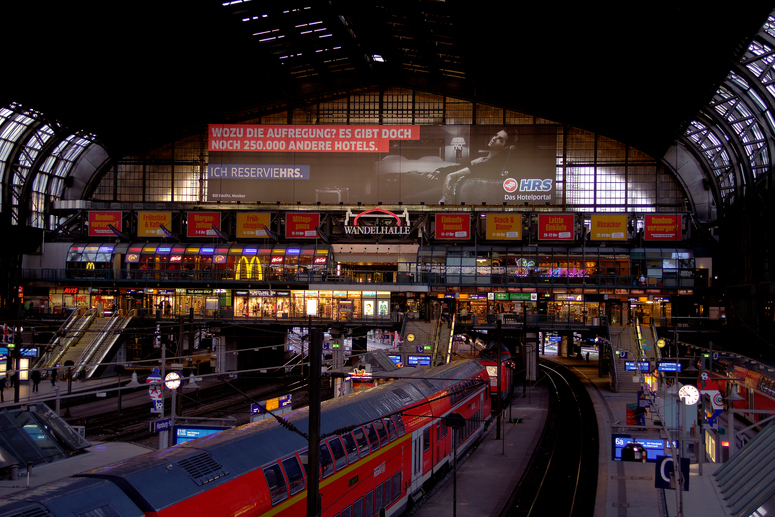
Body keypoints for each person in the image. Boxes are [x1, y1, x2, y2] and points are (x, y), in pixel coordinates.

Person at [430, 129, 513, 203]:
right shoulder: (482, 159)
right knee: (418, 177)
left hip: (452, 191)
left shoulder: (495, 164)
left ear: (505, 147)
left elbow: (476, 169)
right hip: (444, 184)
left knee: (418, 195)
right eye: (496, 135)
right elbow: (461, 167)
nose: (494, 138)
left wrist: (450, 175)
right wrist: (440, 170)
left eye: (500, 139)